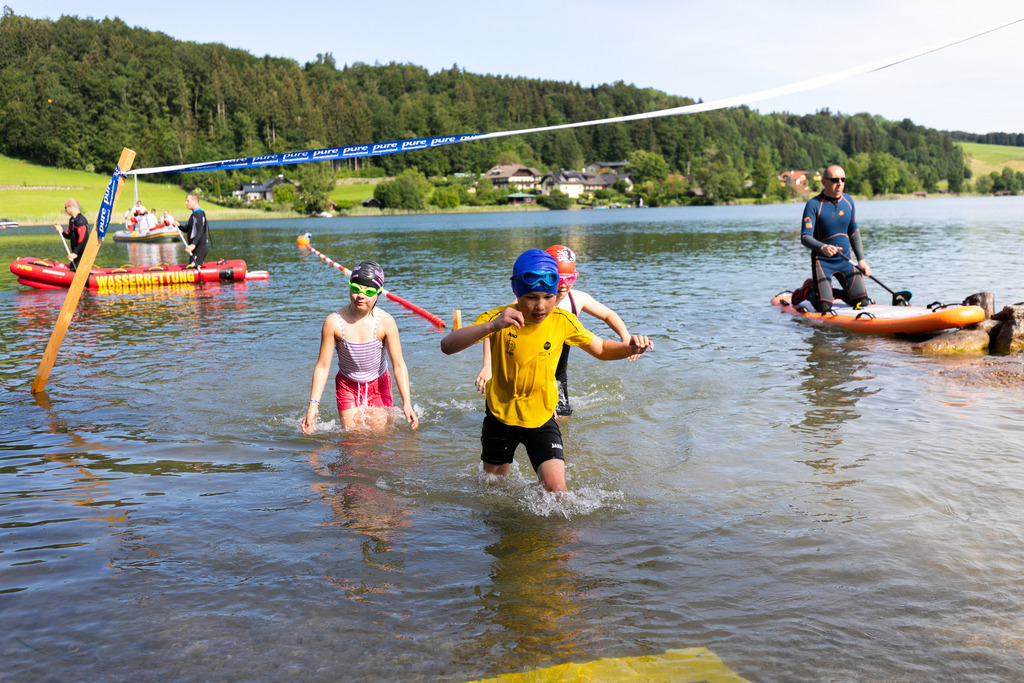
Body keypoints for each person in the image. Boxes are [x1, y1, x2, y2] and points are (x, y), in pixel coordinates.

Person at [441, 249, 652, 492]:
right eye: (531, 297)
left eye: (548, 297)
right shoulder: (499, 319)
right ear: (516, 292)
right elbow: (447, 346)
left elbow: (602, 349)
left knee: (557, 491)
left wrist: (630, 347)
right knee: (491, 486)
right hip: (500, 416)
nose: (540, 306)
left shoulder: (563, 321)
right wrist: (492, 326)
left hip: (542, 417)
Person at [475, 244, 633, 416]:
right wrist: (488, 366)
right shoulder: (524, 303)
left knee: (563, 415)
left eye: (569, 279)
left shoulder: (577, 299)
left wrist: (626, 339)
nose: (563, 286)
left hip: (558, 364)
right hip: (531, 361)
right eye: (559, 280)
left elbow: (608, 315)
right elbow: (493, 330)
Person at [301, 261, 418, 434]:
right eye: (356, 289)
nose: (361, 296)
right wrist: (313, 405)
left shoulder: (385, 322)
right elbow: (323, 366)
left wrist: (407, 403)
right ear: (349, 287)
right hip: (347, 385)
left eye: (369, 292)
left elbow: (399, 365)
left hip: (378, 384)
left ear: (378, 293)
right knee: (352, 439)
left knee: (380, 439)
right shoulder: (334, 322)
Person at [800, 164, 872, 313]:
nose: (839, 183)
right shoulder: (814, 205)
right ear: (823, 182)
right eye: (834, 180)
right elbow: (805, 237)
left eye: (842, 179)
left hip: (846, 259)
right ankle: (809, 290)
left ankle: (833, 292)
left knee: (862, 302)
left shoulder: (848, 201)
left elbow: (854, 231)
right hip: (822, 261)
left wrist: (862, 260)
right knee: (824, 307)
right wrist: (823, 247)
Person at [54, 198, 89, 271]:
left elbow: (83, 239)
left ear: (70, 206)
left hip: (81, 255)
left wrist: (75, 253)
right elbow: (69, 235)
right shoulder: (72, 220)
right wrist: (61, 231)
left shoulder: (80, 220)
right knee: (72, 268)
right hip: (75, 255)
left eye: (65, 208)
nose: (65, 210)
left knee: (76, 270)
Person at [179, 194, 209, 268]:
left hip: (200, 247)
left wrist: (193, 244)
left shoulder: (198, 213)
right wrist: (178, 225)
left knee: (192, 268)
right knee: (190, 266)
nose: (186, 203)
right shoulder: (194, 214)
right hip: (196, 249)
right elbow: (186, 229)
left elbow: (200, 230)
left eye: (188, 201)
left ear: (194, 201)